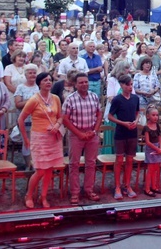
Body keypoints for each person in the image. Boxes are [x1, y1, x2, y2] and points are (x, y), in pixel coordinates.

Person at [18, 72, 64, 209]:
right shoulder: (34, 99)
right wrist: (26, 139)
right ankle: (29, 195)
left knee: (49, 169)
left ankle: (43, 196)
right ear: (39, 83)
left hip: (53, 137)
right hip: (39, 138)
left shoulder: (55, 98)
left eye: (50, 80)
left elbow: (61, 117)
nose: (48, 82)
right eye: (45, 80)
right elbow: (20, 119)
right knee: (40, 170)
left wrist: (57, 125)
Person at [62, 72, 102, 204]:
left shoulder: (94, 96)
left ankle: (89, 190)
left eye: (86, 82)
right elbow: (65, 119)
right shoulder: (70, 99)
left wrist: (95, 131)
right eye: (81, 82)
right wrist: (79, 134)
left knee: (91, 163)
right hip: (76, 135)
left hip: (92, 134)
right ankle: (75, 193)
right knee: (74, 164)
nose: (84, 84)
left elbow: (99, 114)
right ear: (75, 84)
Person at [108, 73, 140, 199]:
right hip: (121, 132)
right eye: (128, 85)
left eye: (131, 84)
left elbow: (137, 113)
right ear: (122, 85)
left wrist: (136, 121)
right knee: (119, 160)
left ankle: (127, 185)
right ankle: (117, 186)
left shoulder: (135, 98)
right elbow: (110, 116)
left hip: (132, 131)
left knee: (130, 160)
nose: (130, 87)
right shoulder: (117, 99)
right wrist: (123, 123)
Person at [14, 64, 40, 170]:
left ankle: (37, 164)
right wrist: (32, 102)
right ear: (25, 74)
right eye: (30, 73)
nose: (32, 75)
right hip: (25, 120)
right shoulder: (21, 87)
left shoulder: (39, 86)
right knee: (27, 142)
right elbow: (18, 104)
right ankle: (28, 165)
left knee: (37, 143)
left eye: (34, 73)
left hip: (38, 120)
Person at [142, 105, 161, 197]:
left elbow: (159, 137)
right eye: (153, 115)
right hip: (151, 149)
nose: (155, 117)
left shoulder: (157, 126)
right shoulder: (146, 127)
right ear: (148, 116)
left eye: (157, 115)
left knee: (156, 169)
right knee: (150, 170)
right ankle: (147, 188)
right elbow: (147, 141)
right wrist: (157, 149)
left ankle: (154, 186)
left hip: (157, 148)